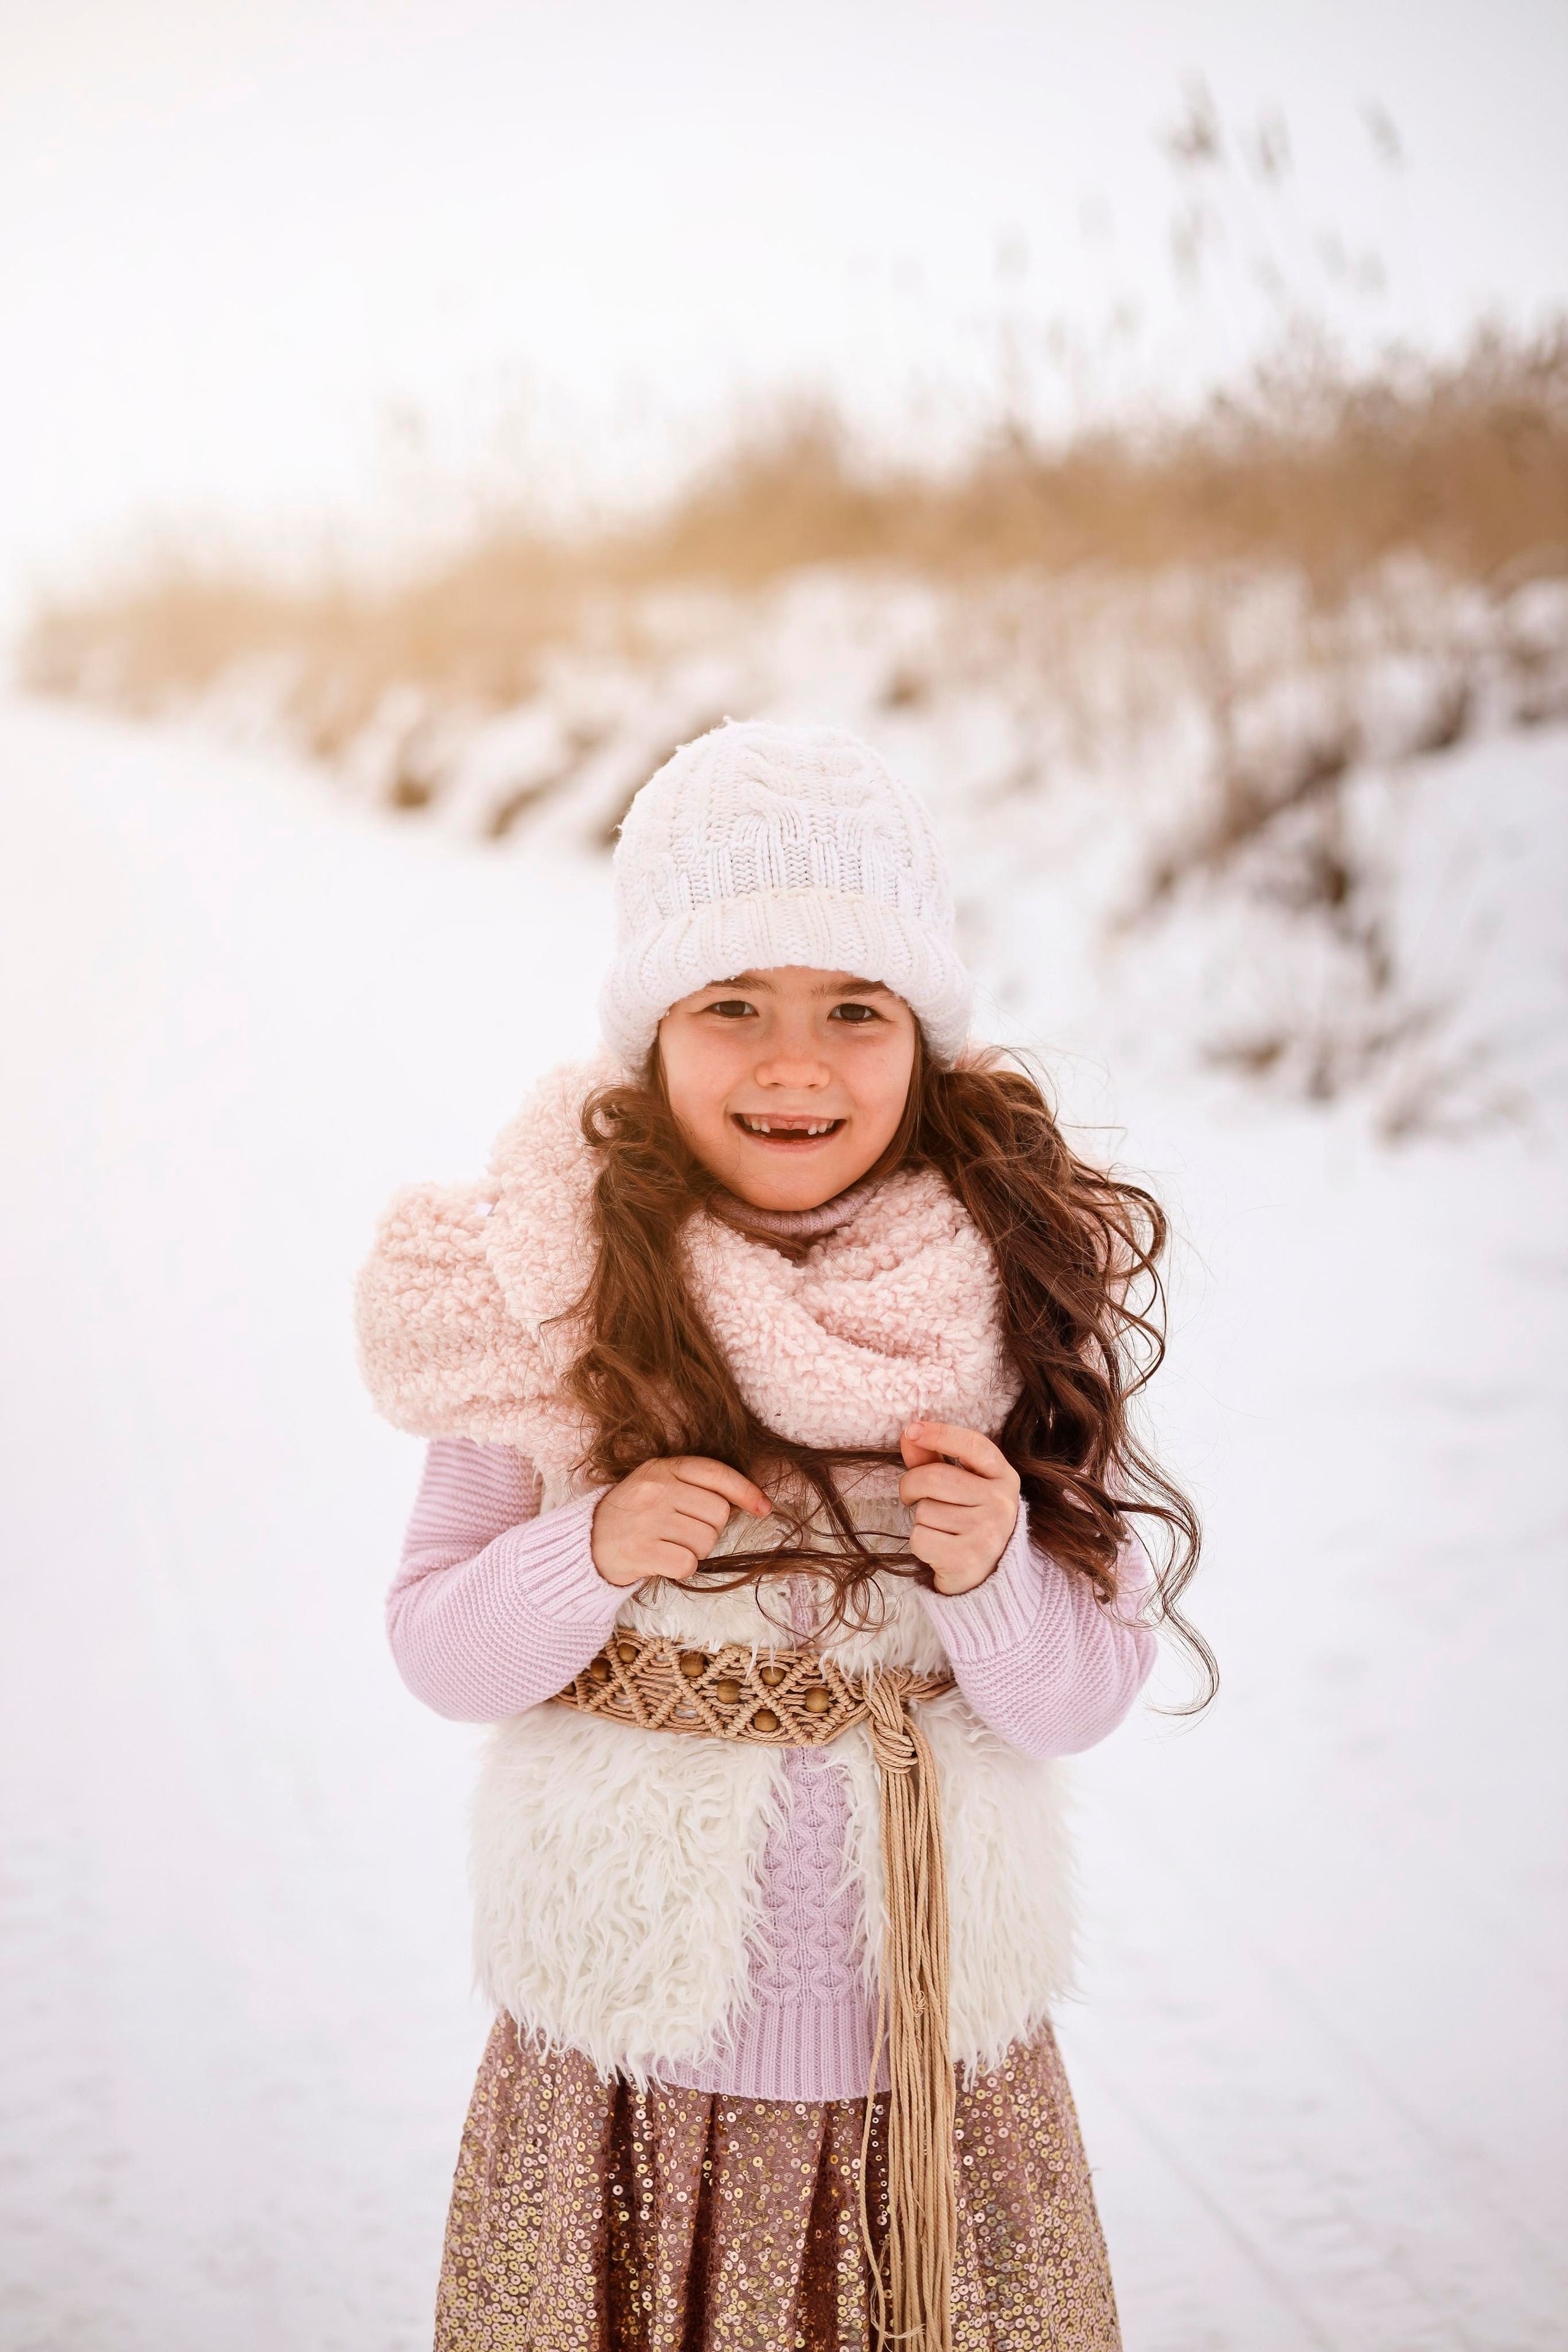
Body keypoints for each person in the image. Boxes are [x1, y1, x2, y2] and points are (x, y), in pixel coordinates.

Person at [356, 720, 1207, 2351]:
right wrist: (588, 1548)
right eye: (730, 1004)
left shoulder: (1010, 1285)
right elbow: (436, 1646)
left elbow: (1089, 1692)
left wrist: (995, 1582)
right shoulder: (545, 1283)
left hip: (933, 2076)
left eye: (854, 1010)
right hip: (625, 2074)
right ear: (651, 1036)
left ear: (925, 1037)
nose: (793, 1063)